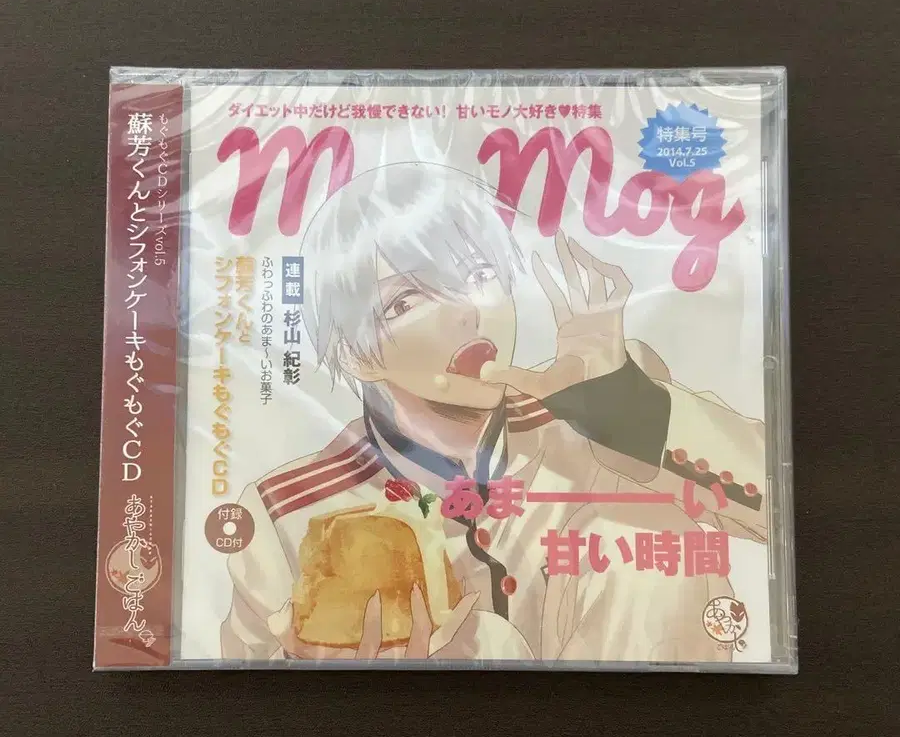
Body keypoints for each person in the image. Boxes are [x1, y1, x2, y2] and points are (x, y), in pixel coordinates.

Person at [220, 162, 767, 663]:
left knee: (647, 545)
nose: (465, 312)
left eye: (477, 275)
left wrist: (624, 403)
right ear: (355, 355)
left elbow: (780, 515)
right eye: (406, 301)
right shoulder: (283, 515)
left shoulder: (598, 414)